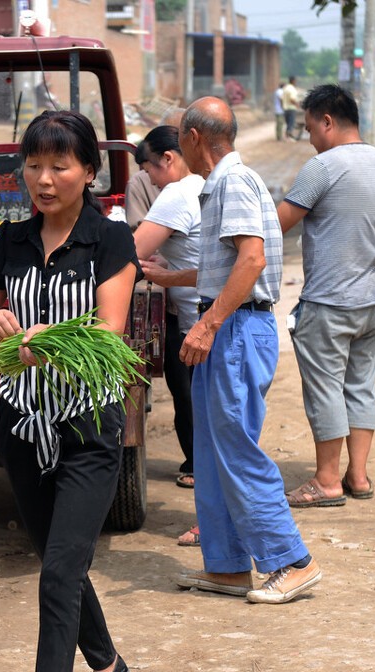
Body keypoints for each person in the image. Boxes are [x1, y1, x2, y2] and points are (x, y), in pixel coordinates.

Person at [0, 110, 138, 672]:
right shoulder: (9, 240)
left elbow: (110, 333)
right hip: (22, 429)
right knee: (59, 561)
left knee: (57, 576)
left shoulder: (110, 240)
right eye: (33, 165)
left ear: (89, 172)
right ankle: (108, 663)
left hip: (88, 431)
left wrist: (35, 343)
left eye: (60, 166)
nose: (43, 178)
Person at [172, 98, 322, 605]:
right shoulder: (226, 184)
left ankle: (292, 561)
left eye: (178, 137)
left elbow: (251, 260)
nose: (177, 146)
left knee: (235, 450)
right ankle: (228, 567)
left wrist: (208, 324)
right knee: (213, 455)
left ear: (195, 137)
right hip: (231, 326)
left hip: (235, 328)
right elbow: (231, 262)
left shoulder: (232, 181)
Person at [276, 85, 375, 510]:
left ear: (328, 121)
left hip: (331, 300)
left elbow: (278, 224)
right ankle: (358, 475)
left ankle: (327, 481)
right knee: (360, 386)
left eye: (310, 127)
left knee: (325, 388)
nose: (310, 136)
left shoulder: (322, 167)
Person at [130, 127, 205, 503]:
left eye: (149, 170)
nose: (151, 181)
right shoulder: (206, 185)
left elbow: (131, 252)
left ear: (168, 159)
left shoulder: (177, 192)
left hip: (198, 320)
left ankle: (212, 512)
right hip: (220, 317)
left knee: (200, 408)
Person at [282, 76, 302, 140]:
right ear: (293, 81)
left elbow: (281, 98)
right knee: (291, 123)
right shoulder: (292, 89)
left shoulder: (285, 88)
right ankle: (289, 136)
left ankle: (287, 137)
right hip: (291, 108)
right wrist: (297, 105)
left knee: (288, 123)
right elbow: (292, 99)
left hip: (285, 108)